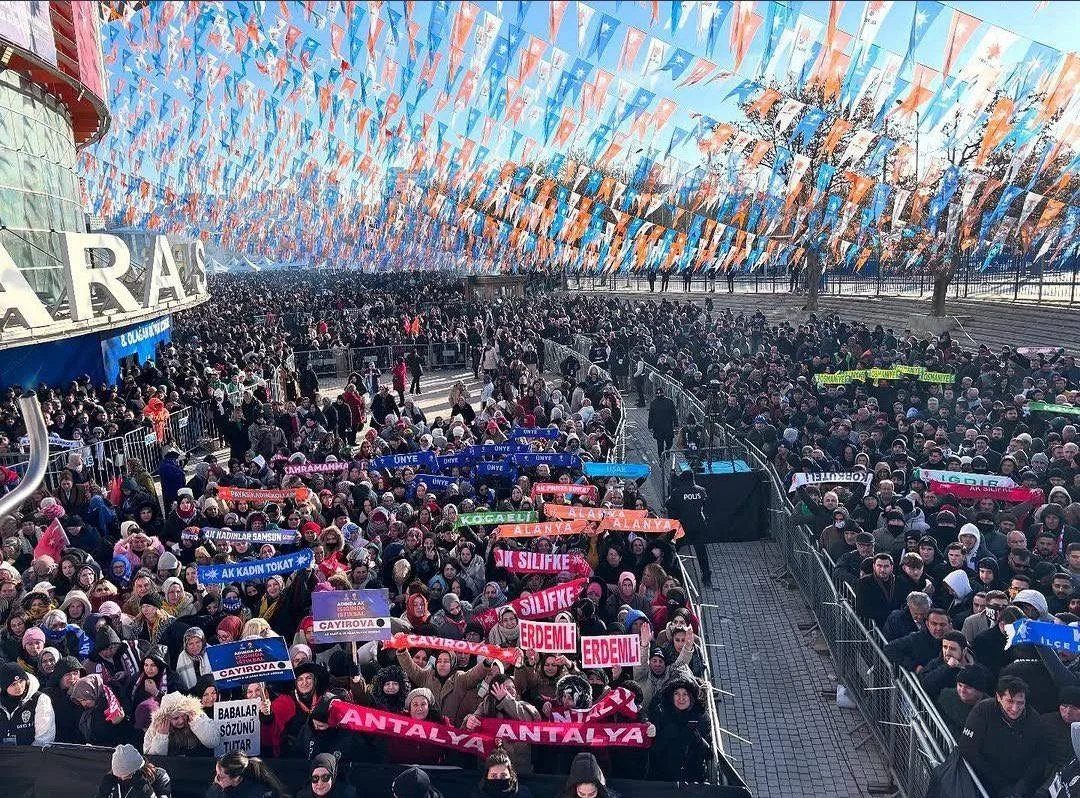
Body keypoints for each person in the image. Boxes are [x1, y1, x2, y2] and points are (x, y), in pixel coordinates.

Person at [958, 675, 1047, 798]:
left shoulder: (1034, 720)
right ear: (999, 697)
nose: (1015, 708)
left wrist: (1023, 785)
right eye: (1010, 701)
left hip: (1019, 784)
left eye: (1020, 703)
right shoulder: (983, 710)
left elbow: (1040, 756)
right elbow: (968, 749)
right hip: (983, 780)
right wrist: (999, 784)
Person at [666, 467, 712, 586]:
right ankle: (706, 577)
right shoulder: (701, 490)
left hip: (683, 527)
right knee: (702, 553)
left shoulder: (677, 492)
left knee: (673, 550)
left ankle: (669, 572)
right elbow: (706, 504)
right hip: (698, 526)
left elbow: (669, 504)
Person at [0, 661, 55, 746]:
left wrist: (29, 757)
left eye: (21, 681)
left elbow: (44, 738)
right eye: (13, 684)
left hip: (31, 755)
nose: (19, 687)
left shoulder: (40, 700)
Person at [96, 743, 172, 798]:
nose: (122, 779)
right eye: (119, 777)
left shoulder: (159, 776)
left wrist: (148, 792)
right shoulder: (112, 779)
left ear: (138, 770)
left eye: (127, 776)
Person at [205, 752, 288, 798]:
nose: (216, 779)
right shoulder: (216, 789)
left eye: (221, 776)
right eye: (216, 773)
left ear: (236, 778)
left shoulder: (257, 794)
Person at [470, 747, 535, 798]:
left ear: (511, 775)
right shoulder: (478, 793)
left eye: (503, 775)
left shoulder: (522, 793)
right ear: (487, 775)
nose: (498, 779)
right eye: (494, 776)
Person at [647, 386, 677, 460]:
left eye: (660, 393)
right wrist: (650, 426)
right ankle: (661, 459)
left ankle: (667, 450)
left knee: (670, 443)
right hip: (658, 427)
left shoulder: (669, 402)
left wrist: (676, 424)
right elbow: (651, 415)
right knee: (660, 445)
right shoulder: (653, 403)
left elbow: (674, 413)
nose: (659, 395)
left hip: (668, 426)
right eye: (658, 394)